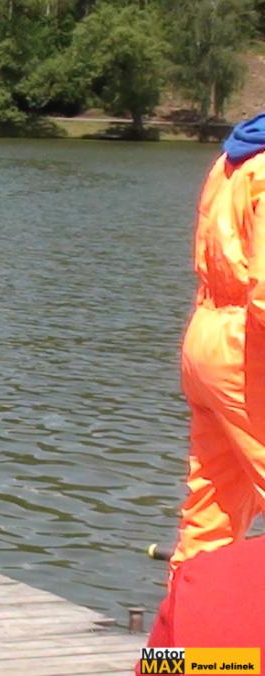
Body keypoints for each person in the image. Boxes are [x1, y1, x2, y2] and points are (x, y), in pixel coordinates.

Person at [169, 113, 265, 570]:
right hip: (249, 350)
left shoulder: (238, 156)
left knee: (211, 515)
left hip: (208, 334)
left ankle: (184, 617)